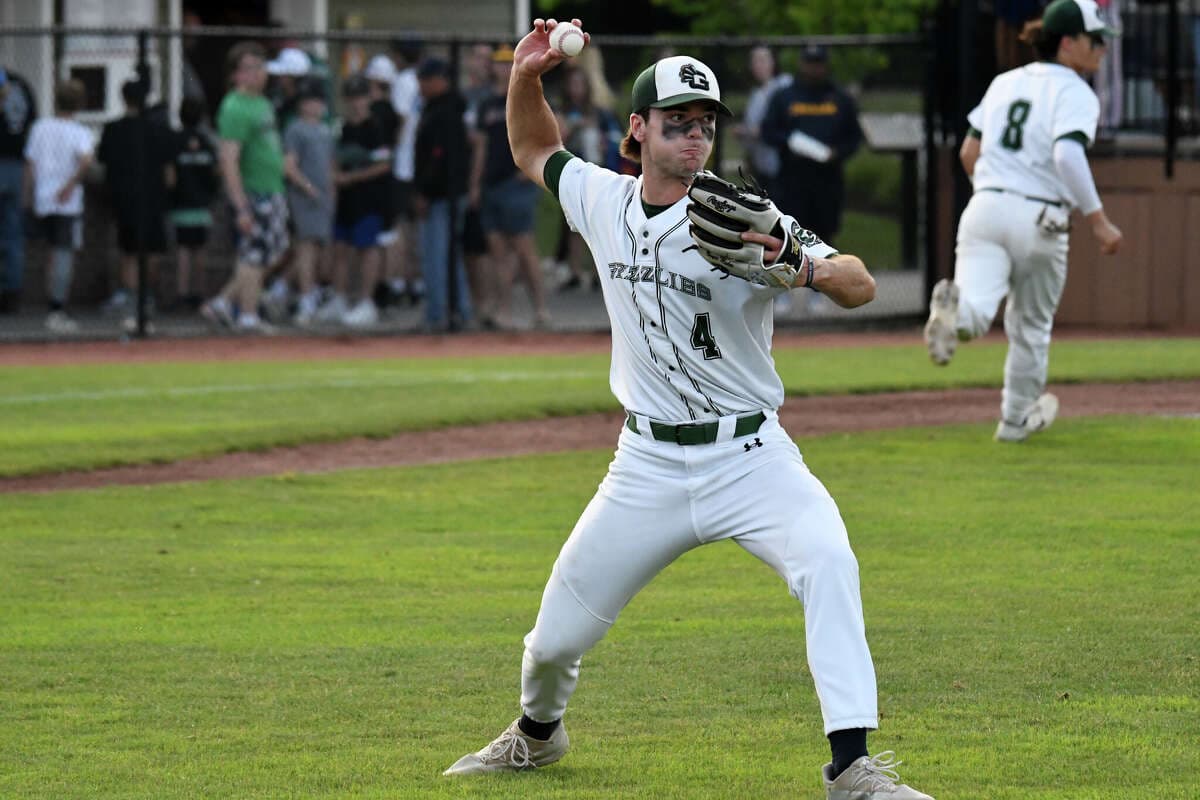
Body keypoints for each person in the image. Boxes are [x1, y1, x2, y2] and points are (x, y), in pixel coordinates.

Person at [442, 19, 935, 800]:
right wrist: (525, 77)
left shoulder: (744, 217)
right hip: (645, 465)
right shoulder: (602, 200)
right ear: (637, 131)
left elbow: (860, 282)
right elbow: (534, 152)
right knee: (550, 642)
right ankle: (538, 736)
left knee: (830, 563)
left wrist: (796, 263)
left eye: (705, 125)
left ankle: (852, 767)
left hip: (752, 458)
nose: (695, 138)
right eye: (677, 125)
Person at [924, 0, 1123, 443]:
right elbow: (1066, 155)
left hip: (986, 205)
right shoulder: (1075, 92)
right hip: (1040, 215)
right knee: (1030, 327)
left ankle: (952, 315)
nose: (1102, 51)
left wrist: (995, 194)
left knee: (975, 310)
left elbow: (968, 154)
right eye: (1096, 42)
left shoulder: (1004, 82)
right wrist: (1099, 221)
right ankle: (1014, 421)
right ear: (1069, 43)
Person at [201, 41, 289, 334]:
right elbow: (229, 159)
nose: (257, 74)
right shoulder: (235, 106)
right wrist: (241, 206)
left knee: (273, 250)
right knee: (254, 254)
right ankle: (248, 316)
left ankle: (223, 302)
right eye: (249, 69)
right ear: (235, 74)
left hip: (273, 187)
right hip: (254, 191)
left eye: (260, 67)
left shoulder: (263, 103)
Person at [470, 44, 550, 329]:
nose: (503, 68)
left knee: (524, 250)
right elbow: (481, 147)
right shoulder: (488, 104)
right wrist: (475, 184)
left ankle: (541, 309)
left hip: (516, 185)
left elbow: (552, 133)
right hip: (492, 184)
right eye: (499, 63)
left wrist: (531, 168)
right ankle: (503, 310)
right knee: (498, 253)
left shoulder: (526, 96)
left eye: (508, 63)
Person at [761, 44, 862, 247]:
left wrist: (837, 152)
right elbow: (768, 131)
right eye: (810, 63)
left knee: (824, 239)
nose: (814, 69)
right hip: (792, 180)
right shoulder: (784, 97)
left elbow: (854, 137)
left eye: (818, 64)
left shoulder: (840, 98)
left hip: (827, 181)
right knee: (790, 237)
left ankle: (821, 277)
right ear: (801, 64)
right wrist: (790, 142)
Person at [97, 79, 175, 325]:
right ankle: (144, 296)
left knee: (129, 250)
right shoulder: (158, 129)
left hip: (124, 197)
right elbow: (169, 173)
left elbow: (103, 162)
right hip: (152, 197)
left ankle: (131, 297)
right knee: (150, 249)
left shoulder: (113, 129)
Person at [321, 74, 392, 328]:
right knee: (340, 247)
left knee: (367, 249)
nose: (356, 103)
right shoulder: (343, 127)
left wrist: (352, 177)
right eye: (351, 98)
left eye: (360, 97)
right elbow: (334, 159)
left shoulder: (376, 126)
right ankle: (339, 298)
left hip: (370, 197)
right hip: (346, 198)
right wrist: (336, 176)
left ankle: (366, 301)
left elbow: (384, 165)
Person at [22, 79, 93, 334]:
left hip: (43, 199)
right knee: (63, 254)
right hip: (67, 204)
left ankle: (50, 303)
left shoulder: (40, 127)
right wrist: (70, 185)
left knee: (48, 255)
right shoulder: (80, 132)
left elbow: (30, 165)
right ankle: (56, 308)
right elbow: (85, 161)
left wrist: (28, 195)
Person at [413, 58, 472, 332]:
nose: (421, 85)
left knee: (437, 257)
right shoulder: (442, 108)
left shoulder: (444, 110)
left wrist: (424, 191)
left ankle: (438, 315)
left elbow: (438, 157)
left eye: (426, 80)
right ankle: (458, 311)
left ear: (440, 80)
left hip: (442, 195)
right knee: (448, 256)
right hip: (446, 193)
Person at [554, 66, 622, 292]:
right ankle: (574, 272)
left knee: (597, 225)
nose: (577, 89)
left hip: (597, 173)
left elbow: (618, 138)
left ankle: (597, 274)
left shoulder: (599, 113)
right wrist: (573, 125)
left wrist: (605, 141)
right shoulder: (563, 111)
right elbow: (555, 139)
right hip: (572, 175)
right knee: (573, 225)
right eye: (573, 84)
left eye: (580, 84)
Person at [281, 77, 334, 326]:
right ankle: (305, 299)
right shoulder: (296, 129)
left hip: (323, 198)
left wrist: (330, 192)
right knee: (305, 249)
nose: (315, 105)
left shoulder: (325, 129)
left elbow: (331, 167)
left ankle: (283, 290)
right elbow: (289, 166)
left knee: (319, 251)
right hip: (305, 197)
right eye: (310, 100)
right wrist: (308, 188)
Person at [168, 96, 218, 311]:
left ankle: (182, 293)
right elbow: (216, 171)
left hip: (181, 203)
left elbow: (170, 175)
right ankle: (199, 293)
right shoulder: (207, 142)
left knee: (183, 250)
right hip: (202, 204)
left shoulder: (176, 140)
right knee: (199, 250)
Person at [389, 37, 424, 307]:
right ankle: (417, 281)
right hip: (421, 163)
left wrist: (393, 149)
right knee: (417, 227)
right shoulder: (423, 78)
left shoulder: (403, 80)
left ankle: (401, 281)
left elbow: (401, 119)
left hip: (405, 163)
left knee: (403, 226)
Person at [0, 65, 36, 314]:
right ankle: (12, 292)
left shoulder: (14, 85)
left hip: (9, 160)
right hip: (17, 164)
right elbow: (32, 124)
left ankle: (10, 291)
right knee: (14, 234)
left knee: (12, 234)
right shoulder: (22, 84)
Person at [736, 44, 792, 198]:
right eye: (754, 61)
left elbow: (790, 123)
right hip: (763, 166)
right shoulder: (756, 94)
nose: (757, 65)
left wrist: (760, 131)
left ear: (773, 61)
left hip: (785, 167)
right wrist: (745, 132)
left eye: (762, 60)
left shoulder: (785, 85)